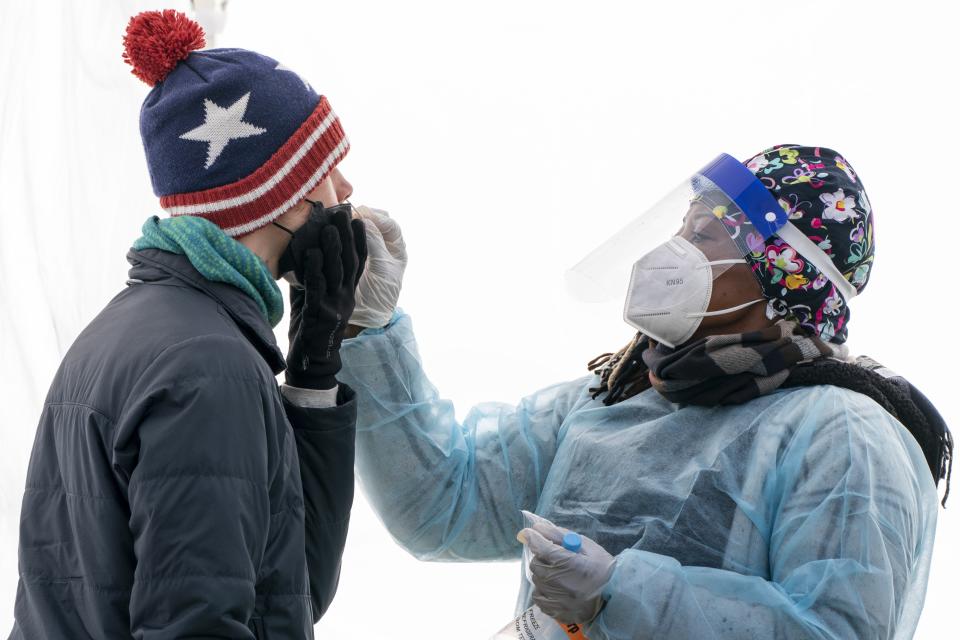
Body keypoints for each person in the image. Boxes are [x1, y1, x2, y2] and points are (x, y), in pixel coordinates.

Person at [335, 145, 952, 638]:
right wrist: (370, 330)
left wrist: (621, 596)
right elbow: (443, 506)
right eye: (680, 228)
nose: (672, 253)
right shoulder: (613, 401)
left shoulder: (842, 435)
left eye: (706, 236)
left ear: (785, 276)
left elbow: (836, 631)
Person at [8, 11, 370, 639]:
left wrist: (315, 366)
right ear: (275, 196)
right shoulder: (210, 369)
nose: (346, 187)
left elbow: (288, 588)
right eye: (324, 170)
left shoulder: (135, 329)